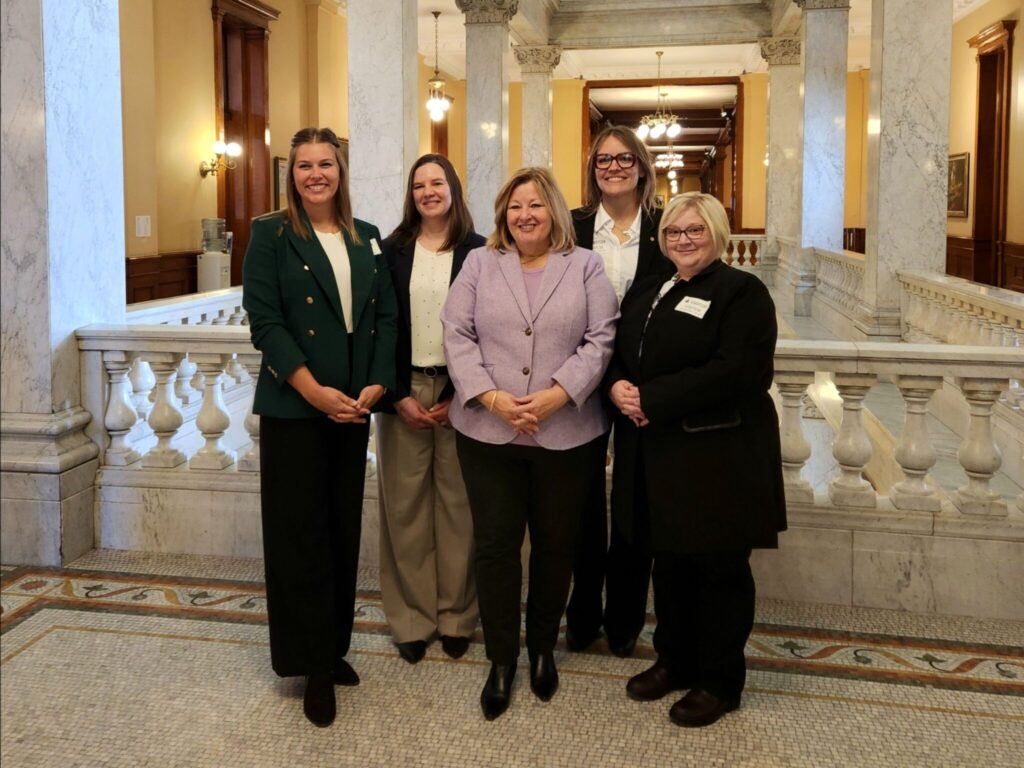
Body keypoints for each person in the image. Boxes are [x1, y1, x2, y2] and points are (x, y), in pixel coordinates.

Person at [441, 167, 619, 720]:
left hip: (565, 433)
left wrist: (556, 396)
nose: (525, 215)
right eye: (516, 206)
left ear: (555, 212)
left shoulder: (586, 265)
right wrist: (491, 398)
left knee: (554, 546)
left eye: (536, 205)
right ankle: (501, 660)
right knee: (495, 549)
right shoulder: (478, 263)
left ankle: (542, 648)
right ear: (503, 215)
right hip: (488, 433)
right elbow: (457, 332)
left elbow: (602, 337)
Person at [606, 191, 785, 728]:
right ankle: (674, 660)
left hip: (718, 458)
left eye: (695, 231)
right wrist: (617, 386)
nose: (683, 240)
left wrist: (651, 399)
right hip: (659, 456)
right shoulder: (654, 287)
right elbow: (620, 347)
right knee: (672, 564)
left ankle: (719, 680)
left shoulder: (741, 292)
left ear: (717, 234)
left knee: (718, 570)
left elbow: (739, 372)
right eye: (675, 232)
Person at [242, 126, 398, 728]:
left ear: (341, 170)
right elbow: (265, 321)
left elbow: (384, 317)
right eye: (304, 165)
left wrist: (375, 386)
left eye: (325, 164)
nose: (315, 174)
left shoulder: (368, 237)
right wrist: (312, 390)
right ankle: (310, 665)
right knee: (299, 537)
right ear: (292, 174)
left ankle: (334, 648)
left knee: (339, 529)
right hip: (297, 408)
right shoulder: (270, 234)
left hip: (352, 408)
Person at [565, 124, 672, 658]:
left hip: (639, 386)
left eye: (622, 158)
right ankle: (582, 613)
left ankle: (625, 619)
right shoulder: (573, 225)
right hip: (579, 380)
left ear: (641, 164)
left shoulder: (665, 226)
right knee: (583, 505)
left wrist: (637, 384)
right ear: (592, 169)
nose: (612, 167)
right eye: (602, 160)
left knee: (634, 506)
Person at [376, 154, 484, 664]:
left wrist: (462, 393)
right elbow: (380, 327)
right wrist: (397, 394)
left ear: (453, 188)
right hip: (404, 392)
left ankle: (457, 615)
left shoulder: (482, 252)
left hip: (466, 394)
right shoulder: (390, 251)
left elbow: (493, 331)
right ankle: (413, 619)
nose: (427, 191)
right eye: (418, 184)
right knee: (405, 509)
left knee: (460, 507)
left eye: (436, 181)